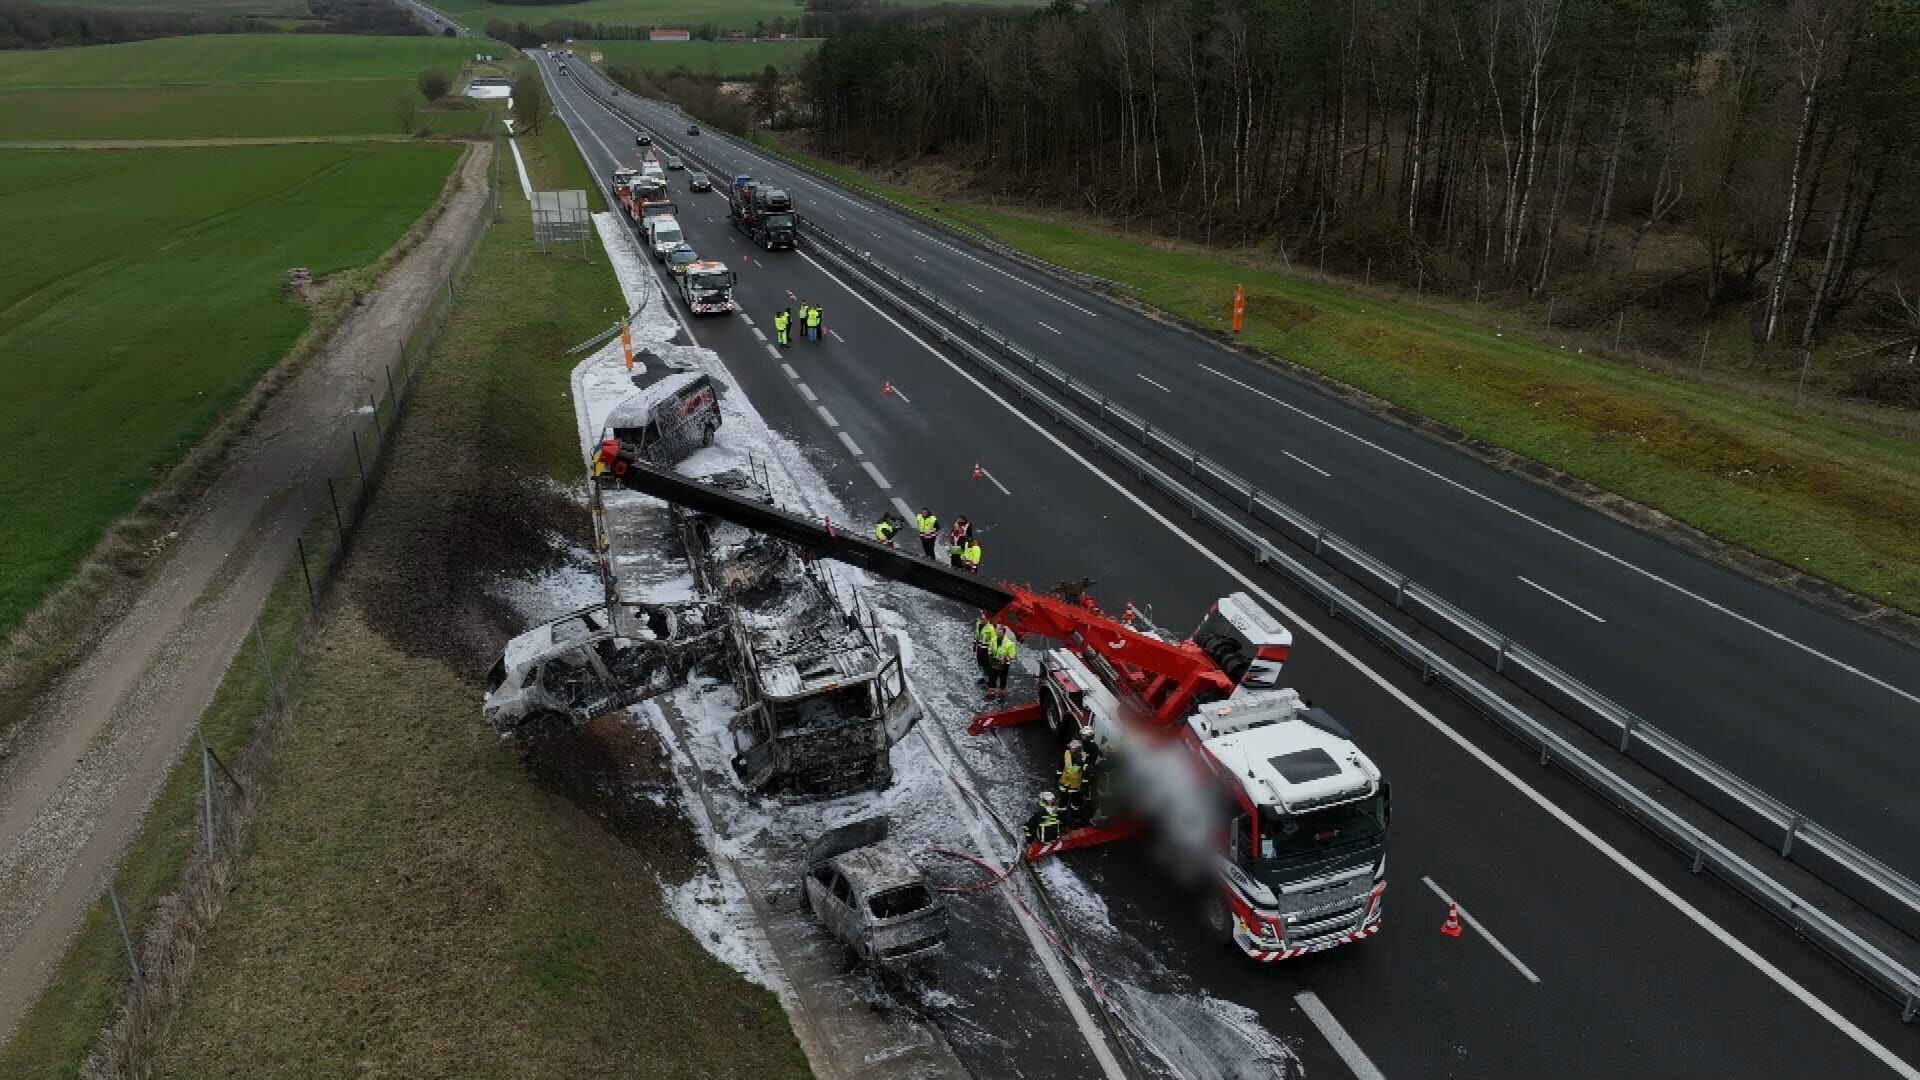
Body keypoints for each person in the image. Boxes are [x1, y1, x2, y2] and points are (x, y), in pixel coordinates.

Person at [985, 622, 1016, 699]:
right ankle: (991, 690)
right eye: (997, 631)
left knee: (1003, 678)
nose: (998, 633)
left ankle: (1002, 691)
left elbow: (1012, 654)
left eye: (1000, 631)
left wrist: (1004, 661)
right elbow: (990, 649)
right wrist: (991, 657)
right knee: (992, 676)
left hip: (1004, 664)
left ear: (1004, 633)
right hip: (994, 662)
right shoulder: (993, 640)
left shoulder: (1009, 643)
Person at [1058, 739, 1087, 817]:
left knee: (1072, 803)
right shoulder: (1069, 754)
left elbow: (1069, 770)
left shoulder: (1081, 757)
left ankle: (1072, 817)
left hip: (1072, 785)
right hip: (1070, 784)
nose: (1070, 749)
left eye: (1071, 748)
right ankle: (1069, 816)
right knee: (1066, 802)